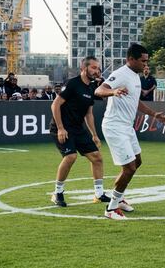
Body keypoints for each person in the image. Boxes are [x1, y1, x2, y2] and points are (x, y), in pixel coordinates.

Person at [97, 43, 165, 220]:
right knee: (129, 168)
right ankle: (111, 209)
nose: (145, 65)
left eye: (147, 61)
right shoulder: (120, 74)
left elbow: (135, 102)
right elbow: (99, 90)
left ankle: (119, 198)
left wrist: (154, 114)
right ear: (130, 59)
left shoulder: (135, 76)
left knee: (137, 161)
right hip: (114, 126)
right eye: (142, 61)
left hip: (127, 127)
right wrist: (114, 91)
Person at [49, 56, 116, 208]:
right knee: (71, 156)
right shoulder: (72, 83)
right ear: (83, 68)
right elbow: (55, 105)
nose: (96, 71)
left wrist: (94, 134)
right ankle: (57, 193)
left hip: (78, 129)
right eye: (93, 67)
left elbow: (89, 114)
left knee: (97, 157)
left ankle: (99, 194)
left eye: (98, 68)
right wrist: (60, 128)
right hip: (62, 128)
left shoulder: (92, 87)